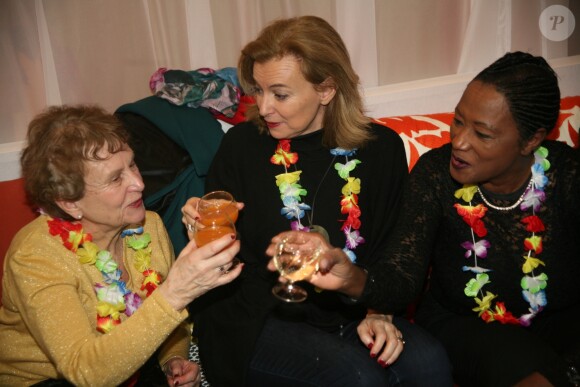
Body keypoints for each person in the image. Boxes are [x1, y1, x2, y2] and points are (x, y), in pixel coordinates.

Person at [272, 51, 580, 386]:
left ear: (531, 140)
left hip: (561, 320)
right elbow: (400, 278)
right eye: (458, 121)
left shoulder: (569, 177)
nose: (459, 142)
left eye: (483, 134)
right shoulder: (436, 173)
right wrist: (350, 278)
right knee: (527, 368)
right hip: (464, 323)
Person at [182, 15, 452, 386]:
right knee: (358, 378)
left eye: (280, 94)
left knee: (429, 364)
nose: (263, 107)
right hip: (260, 315)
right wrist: (202, 227)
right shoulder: (242, 146)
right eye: (258, 91)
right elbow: (220, 256)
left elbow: (393, 253)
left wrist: (378, 311)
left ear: (326, 90)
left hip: (352, 310)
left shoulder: (380, 149)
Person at [0, 105, 242, 386]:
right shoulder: (36, 255)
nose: (139, 183)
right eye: (116, 179)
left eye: (132, 165)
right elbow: (85, 373)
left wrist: (171, 358)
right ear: (69, 202)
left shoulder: (147, 224)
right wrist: (175, 293)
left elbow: (158, 319)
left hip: (133, 370)